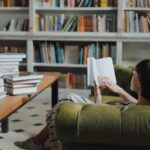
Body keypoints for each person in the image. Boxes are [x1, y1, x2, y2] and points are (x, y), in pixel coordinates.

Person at [14, 59, 150, 150]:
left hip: (100, 114)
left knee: (65, 103)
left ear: (142, 85)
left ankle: (40, 142)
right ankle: (42, 139)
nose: (132, 72)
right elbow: (135, 104)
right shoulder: (144, 105)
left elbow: (98, 114)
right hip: (111, 108)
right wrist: (118, 89)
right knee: (68, 99)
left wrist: (98, 96)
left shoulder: (130, 111)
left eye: (136, 73)